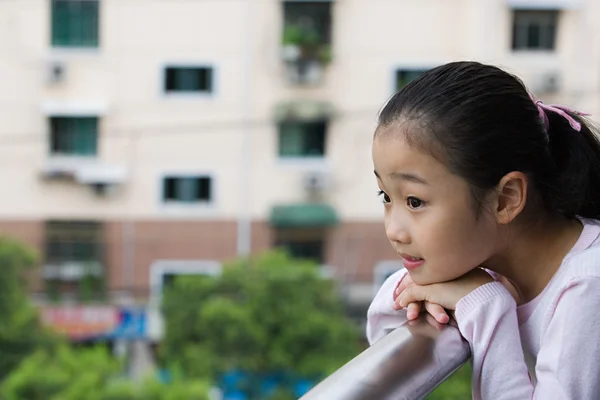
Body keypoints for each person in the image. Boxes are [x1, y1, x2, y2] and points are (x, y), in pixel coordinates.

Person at [366, 61, 600, 399]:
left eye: (415, 201)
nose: (394, 230)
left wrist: (486, 308)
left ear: (505, 199)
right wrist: (409, 291)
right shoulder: (486, 255)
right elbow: (385, 335)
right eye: (385, 196)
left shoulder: (587, 288)